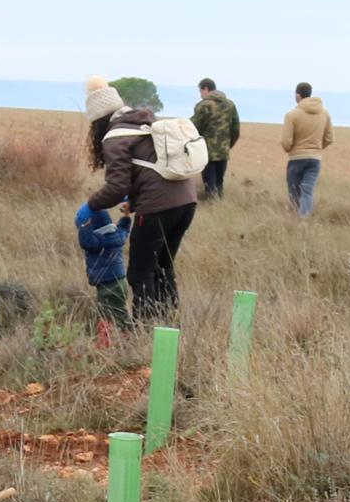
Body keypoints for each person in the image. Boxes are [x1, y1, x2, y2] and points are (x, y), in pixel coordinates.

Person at [82, 75, 198, 324]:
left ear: (98, 120)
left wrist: (92, 204)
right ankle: (168, 323)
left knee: (139, 272)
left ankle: (145, 329)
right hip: (187, 200)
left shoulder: (114, 137)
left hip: (158, 207)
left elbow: (117, 186)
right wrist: (134, 203)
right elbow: (150, 170)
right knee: (163, 265)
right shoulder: (145, 123)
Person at [279, 81, 333, 217]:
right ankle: (304, 219)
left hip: (296, 158)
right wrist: (317, 148)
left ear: (298, 95)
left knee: (294, 192)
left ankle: (293, 220)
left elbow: (285, 141)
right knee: (308, 191)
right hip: (315, 159)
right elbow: (329, 138)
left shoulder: (292, 115)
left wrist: (291, 149)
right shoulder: (325, 113)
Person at [75, 202, 130, 329]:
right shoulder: (117, 236)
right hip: (120, 282)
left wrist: (85, 225)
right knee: (116, 310)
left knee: (112, 314)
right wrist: (126, 215)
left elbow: (86, 241)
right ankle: (115, 334)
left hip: (108, 285)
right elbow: (125, 228)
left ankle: (124, 334)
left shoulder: (96, 241)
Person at [190, 77, 241, 200]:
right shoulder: (230, 104)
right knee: (219, 182)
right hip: (223, 151)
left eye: (200, 91)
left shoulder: (203, 105)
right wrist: (228, 145)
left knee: (209, 183)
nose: (200, 95)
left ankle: (212, 206)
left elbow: (194, 128)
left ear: (206, 89)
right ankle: (219, 206)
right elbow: (235, 129)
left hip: (207, 152)